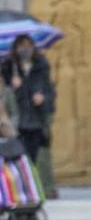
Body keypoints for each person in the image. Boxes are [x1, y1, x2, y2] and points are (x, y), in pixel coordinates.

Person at [2, 34, 56, 176]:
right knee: (20, 156)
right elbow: (4, 96)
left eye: (28, 45)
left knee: (35, 155)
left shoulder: (41, 66)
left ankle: (36, 188)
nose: (25, 49)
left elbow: (50, 92)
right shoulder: (9, 67)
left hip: (37, 120)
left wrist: (42, 98)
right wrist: (12, 86)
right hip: (18, 121)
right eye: (21, 46)